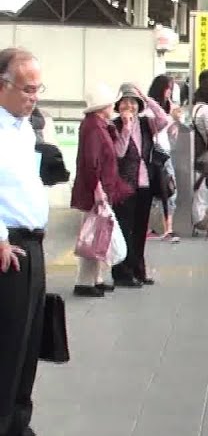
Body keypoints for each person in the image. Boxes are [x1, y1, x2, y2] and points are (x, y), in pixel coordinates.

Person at [0, 47, 70, 436]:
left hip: (32, 244)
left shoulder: (22, 128)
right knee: (5, 349)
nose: (34, 97)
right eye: (27, 89)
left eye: (37, 88)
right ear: (2, 85)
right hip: (7, 247)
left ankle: (18, 435)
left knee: (27, 348)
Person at [70, 83, 133, 296]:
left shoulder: (99, 125)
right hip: (95, 190)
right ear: (102, 106)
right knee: (92, 235)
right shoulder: (93, 127)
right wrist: (97, 189)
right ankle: (84, 282)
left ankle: (95, 278)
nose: (113, 106)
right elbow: (91, 162)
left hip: (100, 188)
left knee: (98, 234)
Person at [109, 83, 162, 287]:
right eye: (125, 102)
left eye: (133, 102)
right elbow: (119, 153)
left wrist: (147, 98)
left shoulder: (147, 123)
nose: (129, 106)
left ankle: (139, 270)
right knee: (124, 229)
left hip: (145, 183)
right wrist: (126, 128)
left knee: (140, 230)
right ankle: (122, 272)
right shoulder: (114, 125)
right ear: (118, 105)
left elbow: (164, 119)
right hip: (124, 184)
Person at [146, 75, 180, 243]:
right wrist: (170, 118)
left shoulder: (166, 106)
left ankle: (166, 228)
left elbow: (169, 127)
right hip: (156, 154)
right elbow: (156, 125)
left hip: (164, 153)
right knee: (167, 189)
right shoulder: (149, 108)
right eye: (168, 88)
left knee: (166, 190)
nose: (169, 92)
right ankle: (165, 228)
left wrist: (174, 122)